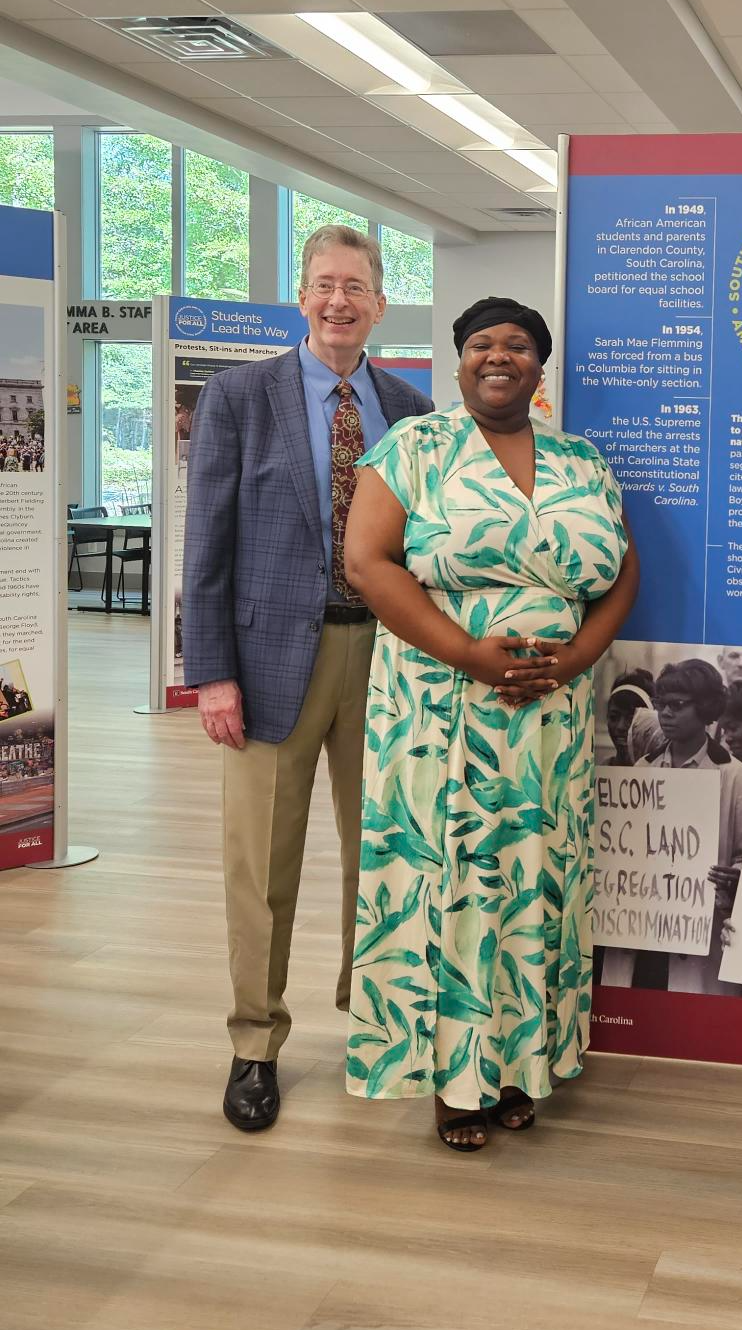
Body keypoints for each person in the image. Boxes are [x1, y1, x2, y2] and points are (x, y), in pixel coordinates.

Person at [339, 296, 637, 1151]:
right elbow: (367, 562)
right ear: (459, 360)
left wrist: (576, 658)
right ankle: (452, 1081)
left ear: (540, 369)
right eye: (480, 344)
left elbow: (622, 571)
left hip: (550, 717)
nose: (497, 357)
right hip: (440, 704)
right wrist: (470, 653)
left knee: (533, 881)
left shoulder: (581, 459)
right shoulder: (415, 448)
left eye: (517, 346)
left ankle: (518, 1066)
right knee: (454, 881)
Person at [182, 224, 432, 1134]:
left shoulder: (410, 408)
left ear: (379, 303)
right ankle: (255, 1043)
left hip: (389, 661)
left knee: (387, 853)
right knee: (261, 866)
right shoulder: (240, 397)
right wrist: (210, 672)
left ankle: (375, 1022)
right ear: (302, 295)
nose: (339, 300)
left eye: (356, 286)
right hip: (266, 662)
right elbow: (206, 543)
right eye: (325, 283)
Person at [637, 659, 742, 994]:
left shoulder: (735, 776)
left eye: (678, 705)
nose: (667, 714)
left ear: (705, 708)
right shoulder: (641, 769)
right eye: (662, 705)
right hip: (643, 926)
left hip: (700, 931)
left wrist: (735, 875)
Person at [604, 668, 654, 765]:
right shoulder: (600, 772)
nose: (620, 727)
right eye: (614, 717)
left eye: (631, 718)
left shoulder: (664, 771)